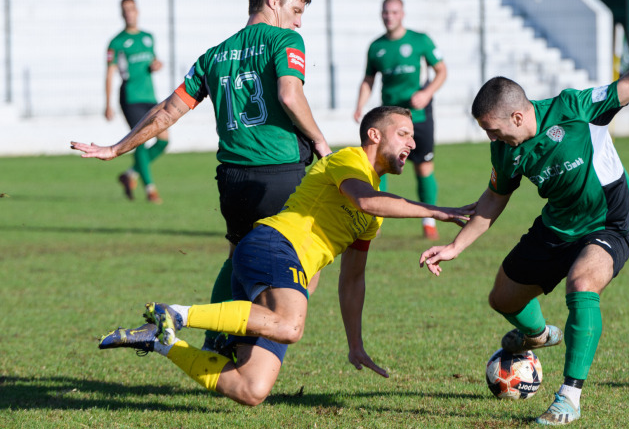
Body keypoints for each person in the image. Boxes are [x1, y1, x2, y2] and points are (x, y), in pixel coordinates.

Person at [419, 8, 629, 426]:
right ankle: (539, 336)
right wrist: (455, 246)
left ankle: (569, 398)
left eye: (494, 130)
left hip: (606, 222)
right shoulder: (506, 149)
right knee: (502, 298)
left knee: (582, 283)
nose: (491, 138)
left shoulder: (574, 108)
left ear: (518, 116)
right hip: (557, 225)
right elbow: (494, 198)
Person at [97, 106, 476, 406]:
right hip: (272, 246)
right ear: (374, 134)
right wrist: (441, 211)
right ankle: (177, 313)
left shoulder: (374, 214)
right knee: (289, 326)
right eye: (404, 133)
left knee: (251, 389)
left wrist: (355, 343)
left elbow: (353, 278)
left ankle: (162, 341)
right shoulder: (348, 160)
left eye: (413, 136)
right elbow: (364, 197)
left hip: (282, 270)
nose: (412, 142)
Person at [73, 0, 332, 352]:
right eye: (297, 9)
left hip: (232, 180)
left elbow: (167, 111)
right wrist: (320, 141)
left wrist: (116, 148)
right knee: (314, 251)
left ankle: (214, 340)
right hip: (278, 173)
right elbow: (290, 95)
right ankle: (260, 349)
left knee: (238, 256)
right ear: (273, 0)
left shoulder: (214, 55)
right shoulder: (285, 40)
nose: (300, 20)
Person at [354, 0, 447, 240]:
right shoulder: (376, 47)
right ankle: (375, 220)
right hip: (389, 119)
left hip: (418, 116)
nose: (389, 17)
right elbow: (369, 80)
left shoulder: (420, 40)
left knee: (423, 166)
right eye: (385, 13)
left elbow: (441, 70)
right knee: (380, 166)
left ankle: (429, 222)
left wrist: (426, 93)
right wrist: (359, 105)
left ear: (402, 14)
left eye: (394, 12)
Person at [106, 0, 167, 203]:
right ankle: (150, 189)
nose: (129, 13)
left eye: (132, 9)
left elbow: (152, 61)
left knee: (164, 141)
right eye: (125, 10)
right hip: (130, 97)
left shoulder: (148, 37)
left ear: (137, 11)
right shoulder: (117, 42)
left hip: (149, 96)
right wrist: (107, 104)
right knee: (140, 140)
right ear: (121, 14)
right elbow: (110, 73)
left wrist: (156, 65)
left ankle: (130, 174)